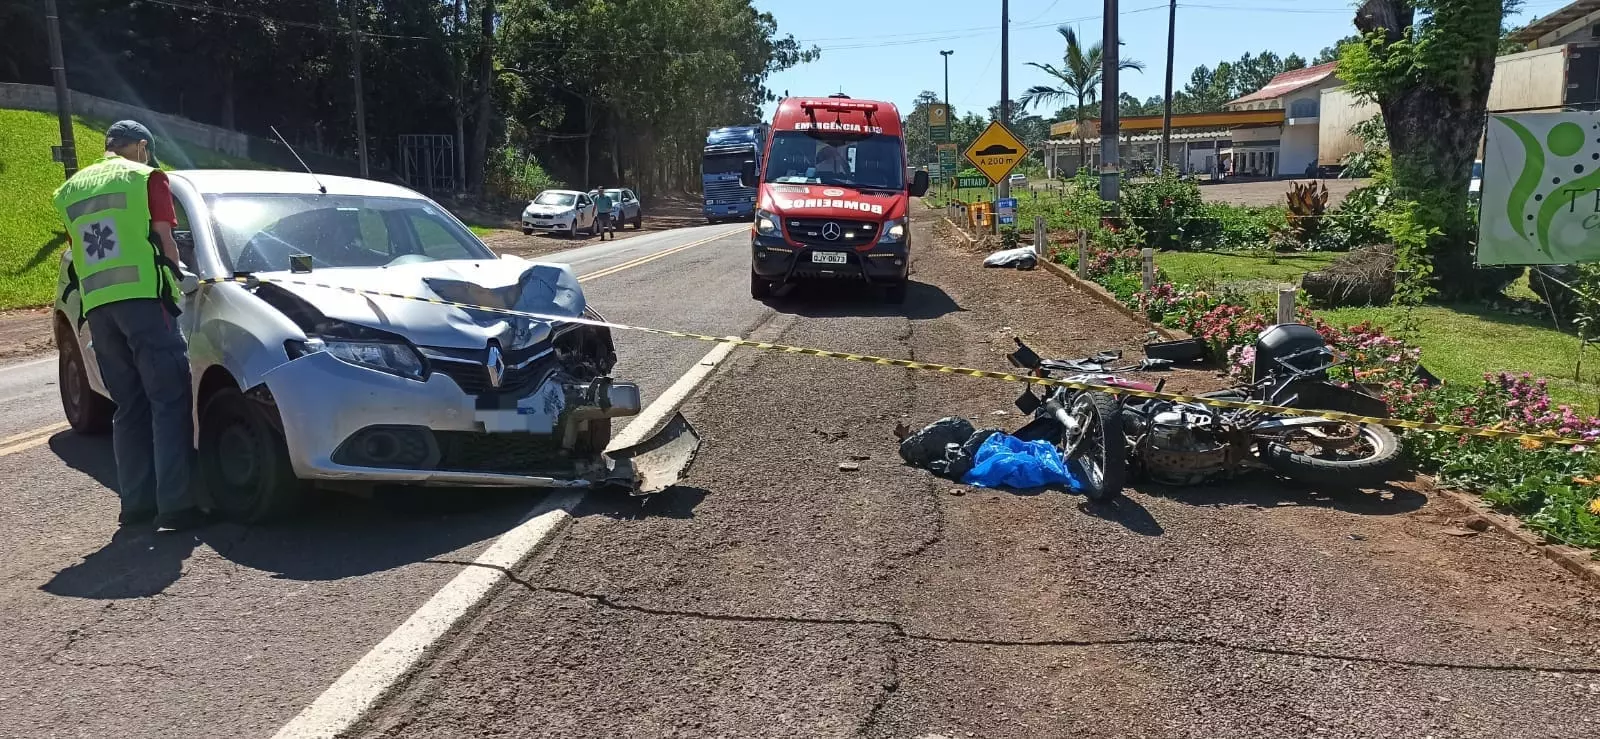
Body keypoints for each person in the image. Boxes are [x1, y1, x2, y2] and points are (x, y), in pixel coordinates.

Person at [53, 120, 202, 532]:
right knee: (168, 400)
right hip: (145, 303)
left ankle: (135, 506)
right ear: (139, 146)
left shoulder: (71, 190)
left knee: (128, 407)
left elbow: (80, 250)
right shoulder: (146, 177)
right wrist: (178, 280)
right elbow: (165, 241)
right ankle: (176, 506)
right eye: (147, 151)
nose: (148, 158)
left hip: (99, 308)